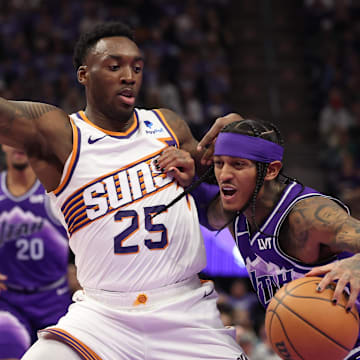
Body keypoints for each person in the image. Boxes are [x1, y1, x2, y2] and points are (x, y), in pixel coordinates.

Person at [0, 22, 246, 359]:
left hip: (185, 311)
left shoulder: (168, 125)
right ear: (84, 74)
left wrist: (234, 160)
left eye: (137, 67)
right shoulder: (62, 134)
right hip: (101, 317)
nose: (129, 75)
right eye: (114, 66)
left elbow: (215, 215)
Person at [175, 114, 360, 359]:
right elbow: (203, 210)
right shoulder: (234, 212)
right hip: (312, 348)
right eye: (219, 163)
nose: (225, 174)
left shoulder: (305, 216)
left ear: (271, 171)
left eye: (238, 165)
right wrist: (180, 167)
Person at [0, 145, 74, 359]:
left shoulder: (56, 190)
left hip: (54, 299)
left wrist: (79, 269)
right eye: (10, 139)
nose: (17, 145)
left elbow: (92, 233)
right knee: (7, 342)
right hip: (8, 299)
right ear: (3, 143)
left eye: (22, 139)